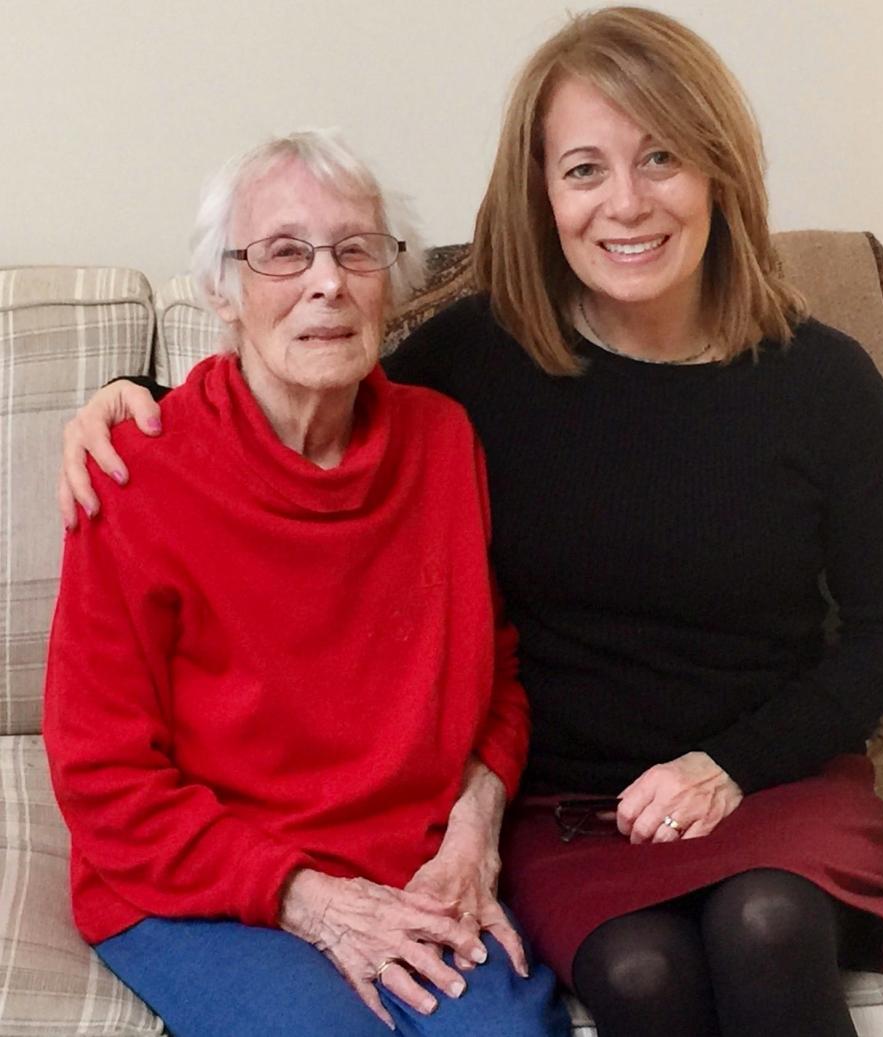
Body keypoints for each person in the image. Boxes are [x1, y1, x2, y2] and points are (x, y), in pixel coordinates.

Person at [57, 8, 883, 1037]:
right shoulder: (483, 360)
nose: (628, 203)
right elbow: (299, 386)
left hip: (761, 777)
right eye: (583, 169)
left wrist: (729, 765)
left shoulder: (820, 380)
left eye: (662, 156)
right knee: (643, 972)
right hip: (575, 805)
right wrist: (133, 395)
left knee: (764, 922)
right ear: (542, 193)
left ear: (719, 171)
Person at [43, 129, 570, 1037]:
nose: (327, 280)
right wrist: (306, 899)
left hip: (411, 864)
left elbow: (498, 677)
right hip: (198, 877)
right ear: (224, 289)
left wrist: (473, 832)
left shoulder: (444, 443)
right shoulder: (134, 472)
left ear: (389, 283)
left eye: (355, 249)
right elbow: (101, 775)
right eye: (284, 252)